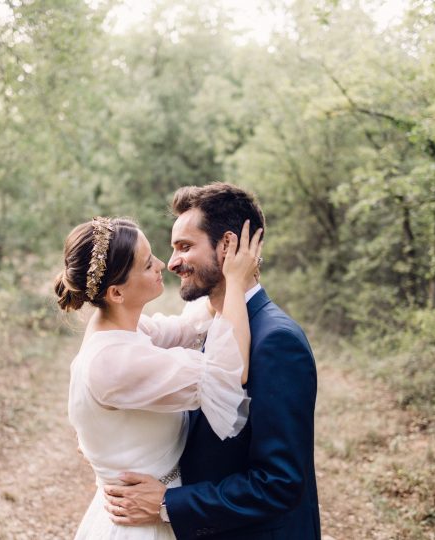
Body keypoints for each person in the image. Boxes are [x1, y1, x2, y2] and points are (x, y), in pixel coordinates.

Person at [103, 183, 321, 540]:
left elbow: (280, 482)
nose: (172, 263)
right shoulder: (209, 326)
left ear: (228, 246)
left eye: (184, 247)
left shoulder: (276, 340)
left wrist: (168, 504)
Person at [54, 216, 263, 540]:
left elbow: (185, 328)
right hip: (142, 525)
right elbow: (226, 373)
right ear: (116, 293)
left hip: (151, 512)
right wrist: (235, 283)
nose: (162, 264)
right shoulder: (114, 360)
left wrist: (220, 273)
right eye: (147, 263)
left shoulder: (126, 330)